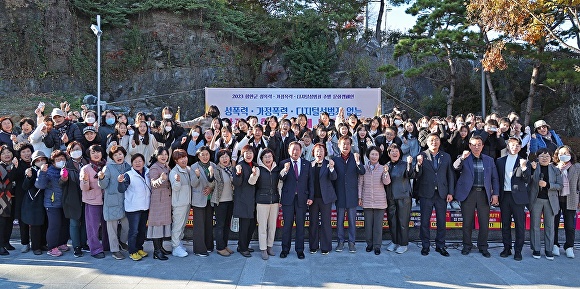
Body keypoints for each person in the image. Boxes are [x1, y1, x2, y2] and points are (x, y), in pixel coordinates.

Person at [453, 135, 500, 258]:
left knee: (484, 223)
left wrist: (495, 194)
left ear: (483, 146)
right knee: (467, 222)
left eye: (479, 144)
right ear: (469, 146)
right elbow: (455, 167)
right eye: (473, 144)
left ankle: (483, 246)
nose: (476, 147)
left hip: (484, 194)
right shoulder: (464, 158)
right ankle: (467, 245)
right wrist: (462, 158)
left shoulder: (489, 160)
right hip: (468, 194)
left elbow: (495, 178)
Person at [415, 133, 455, 257]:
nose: (434, 142)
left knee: (441, 221)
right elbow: (417, 175)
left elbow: (450, 175)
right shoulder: (421, 155)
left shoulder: (446, 156)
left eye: (436, 140)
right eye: (431, 140)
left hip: (442, 193)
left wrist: (450, 192)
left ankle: (440, 246)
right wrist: (418, 165)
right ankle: (425, 246)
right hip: (426, 193)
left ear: (439, 142)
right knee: (425, 221)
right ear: (427, 142)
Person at [496, 137, 530, 261]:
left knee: (519, 225)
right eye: (512, 145)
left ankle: (518, 251)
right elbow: (497, 179)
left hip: (518, 198)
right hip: (504, 196)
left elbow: (528, 180)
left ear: (520, 147)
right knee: (505, 224)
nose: (514, 147)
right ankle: (506, 248)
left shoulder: (524, 161)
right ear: (508, 146)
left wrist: (524, 168)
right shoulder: (500, 161)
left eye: (517, 145)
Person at [332, 136, 365, 253]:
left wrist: (357, 162)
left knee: (352, 221)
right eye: (343, 144)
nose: (345, 146)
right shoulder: (335, 160)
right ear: (338, 146)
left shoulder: (355, 158)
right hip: (340, 195)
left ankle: (352, 242)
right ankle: (340, 242)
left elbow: (362, 172)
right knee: (339, 221)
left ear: (351, 145)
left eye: (347, 144)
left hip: (352, 195)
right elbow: (332, 178)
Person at [98, 145, 131, 260]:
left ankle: (122, 242)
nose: (118, 156)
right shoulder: (108, 168)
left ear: (124, 155)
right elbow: (103, 185)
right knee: (112, 228)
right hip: (111, 201)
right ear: (112, 157)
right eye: (115, 155)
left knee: (127, 225)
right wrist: (101, 178)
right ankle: (115, 250)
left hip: (125, 201)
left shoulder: (128, 167)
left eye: (120, 154)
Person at [278, 141, 311, 259]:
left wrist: (310, 197)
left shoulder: (307, 164)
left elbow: (310, 182)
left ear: (301, 151)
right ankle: (285, 249)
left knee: (301, 226)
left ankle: (299, 250)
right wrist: (285, 170)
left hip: (302, 198)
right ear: (288, 150)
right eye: (293, 149)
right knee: (287, 225)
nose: (295, 152)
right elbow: (281, 178)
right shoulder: (283, 163)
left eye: (297, 149)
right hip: (288, 199)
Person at [529, 148, 562, 260]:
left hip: (550, 200)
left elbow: (560, 185)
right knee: (535, 225)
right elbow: (527, 181)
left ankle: (549, 249)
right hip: (536, 199)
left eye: (547, 156)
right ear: (537, 157)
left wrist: (548, 185)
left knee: (550, 226)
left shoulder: (555, 169)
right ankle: (536, 249)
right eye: (542, 156)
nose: (544, 158)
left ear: (551, 158)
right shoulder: (533, 166)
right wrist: (532, 171)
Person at [36, 149, 70, 257]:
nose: (60, 161)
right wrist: (42, 172)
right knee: (54, 225)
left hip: (64, 202)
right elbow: (40, 185)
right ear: (53, 161)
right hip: (52, 203)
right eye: (58, 159)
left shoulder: (67, 169)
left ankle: (62, 243)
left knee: (64, 224)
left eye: (62, 159)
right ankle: (52, 247)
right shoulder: (47, 170)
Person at [248, 149, 281, 260]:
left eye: (270, 156)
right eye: (265, 157)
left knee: (272, 226)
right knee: (262, 227)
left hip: (275, 201)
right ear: (261, 159)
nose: (268, 159)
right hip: (262, 201)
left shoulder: (277, 169)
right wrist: (254, 175)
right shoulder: (258, 169)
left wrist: (280, 199)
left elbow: (280, 184)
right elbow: (251, 182)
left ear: (273, 157)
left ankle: (269, 246)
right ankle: (263, 248)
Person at [118, 153, 151, 261]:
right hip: (133, 208)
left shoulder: (147, 172)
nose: (137, 163)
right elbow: (122, 189)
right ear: (132, 163)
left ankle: (139, 248)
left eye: (140, 161)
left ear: (144, 162)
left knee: (142, 230)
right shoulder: (128, 175)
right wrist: (120, 182)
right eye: (135, 161)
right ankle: (132, 251)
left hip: (145, 206)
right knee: (134, 231)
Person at [358, 146, 390, 255]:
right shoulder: (363, 168)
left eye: (376, 154)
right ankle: (369, 244)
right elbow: (360, 184)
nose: (374, 156)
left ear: (379, 156)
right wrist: (359, 197)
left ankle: (377, 246)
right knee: (368, 225)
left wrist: (386, 172)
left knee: (378, 225)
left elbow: (386, 182)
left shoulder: (382, 168)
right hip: (366, 199)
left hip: (380, 200)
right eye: (372, 154)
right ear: (368, 155)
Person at [79, 144, 109, 259]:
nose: (96, 154)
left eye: (98, 152)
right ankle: (96, 249)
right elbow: (83, 188)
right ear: (89, 155)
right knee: (93, 226)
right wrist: (85, 181)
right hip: (92, 201)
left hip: (107, 200)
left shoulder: (107, 166)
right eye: (93, 153)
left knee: (108, 225)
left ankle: (107, 245)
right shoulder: (85, 168)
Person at [385, 144, 415, 254]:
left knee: (403, 221)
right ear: (388, 154)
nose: (394, 153)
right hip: (390, 197)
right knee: (392, 221)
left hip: (403, 197)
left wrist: (410, 164)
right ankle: (394, 241)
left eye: (396, 151)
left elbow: (411, 175)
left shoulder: (405, 164)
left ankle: (403, 243)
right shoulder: (387, 165)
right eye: (392, 151)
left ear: (399, 153)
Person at [308, 143, 337, 255]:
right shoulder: (310, 165)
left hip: (326, 198)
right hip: (313, 199)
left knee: (326, 223)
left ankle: (326, 247)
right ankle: (313, 246)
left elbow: (334, 177)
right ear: (313, 153)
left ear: (325, 152)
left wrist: (331, 168)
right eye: (317, 151)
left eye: (321, 151)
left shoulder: (329, 163)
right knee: (313, 223)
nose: (319, 153)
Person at [552, 145, 580, 258]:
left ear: (571, 154)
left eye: (566, 153)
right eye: (561, 153)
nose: (564, 156)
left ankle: (569, 246)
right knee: (554, 224)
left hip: (571, 198)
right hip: (556, 199)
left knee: (569, 225)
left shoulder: (577, 167)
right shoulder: (553, 167)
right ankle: (554, 245)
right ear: (557, 155)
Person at [62, 141, 89, 257]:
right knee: (74, 223)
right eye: (73, 150)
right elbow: (61, 184)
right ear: (69, 152)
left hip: (87, 196)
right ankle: (76, 246)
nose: (76, 151)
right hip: (72, 198)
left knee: (85, 222)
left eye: (78, 149)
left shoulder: (87, 162)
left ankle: (84, 243)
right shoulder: (66, 165)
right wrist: (63, 178)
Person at [190, 146, 216, 257]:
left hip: (210, 199)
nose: (205, 157)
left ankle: (209, 246)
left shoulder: (213, 166)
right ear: (198, 156)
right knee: (199, 225)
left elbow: (217, 181)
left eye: (207, 154)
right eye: (202, 155)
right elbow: (193, 184)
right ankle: (199, 249)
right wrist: (197, 176)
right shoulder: (193, 167)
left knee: (209, 224)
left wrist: (211, 188)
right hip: (198, 199)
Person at [147, 147, 172, 260]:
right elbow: (153, 183)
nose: (164, 156)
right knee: (157, 225)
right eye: (161, 154)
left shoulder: (165, 166)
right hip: (158, 200)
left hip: (165, 199)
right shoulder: (154, 167)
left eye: (166, 154)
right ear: (156, 156)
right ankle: (156, 251)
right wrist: (161, 179)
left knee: (162, 225)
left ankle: (160, 248)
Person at [232, 145, 257, 257]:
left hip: (253, 201)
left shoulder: (255, 165)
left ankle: (244, 245)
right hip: (243, 201)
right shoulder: (239, 166)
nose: (249, 155)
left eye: (250, 153)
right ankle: (242, 248)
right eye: (246, 153)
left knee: (251, 225)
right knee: (244, 226)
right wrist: (238, 174)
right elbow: (236, 183)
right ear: (243, 154)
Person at [22, 151, 47, 255]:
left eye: (42, 159)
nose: (40, 162)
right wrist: (28, 177)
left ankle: (43, 243)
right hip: (33, 201)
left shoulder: (48, 169)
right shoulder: (31, 170)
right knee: (36, 225)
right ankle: (35, 246)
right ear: (33, 162)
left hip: (46, 200)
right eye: (38, 160)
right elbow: (25, 186)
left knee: (45, 223)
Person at [168, 149, 192, 258]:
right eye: (180, 158)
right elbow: (175, 188)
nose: (184, 160)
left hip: (187, 202)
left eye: (185, 157)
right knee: (177, 225)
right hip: (179, 203)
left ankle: (179, 243)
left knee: (182, 225)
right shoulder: (174, 172)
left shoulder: (187, 169)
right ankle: (175, 246)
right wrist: (177, 181)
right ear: (176, 161)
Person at [211, 149, 235, 257]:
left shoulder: (233, 169)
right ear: (218, 159)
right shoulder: (216, 169)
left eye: (226, 156)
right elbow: (211, 181)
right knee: (220, 225)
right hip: (220, 201)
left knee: (226, 225)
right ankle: (220, 247)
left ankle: (224, 245)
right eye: (222, 157)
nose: (224, 159)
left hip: (231, 200)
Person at [13, 144, 33, 253]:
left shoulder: (36, 162)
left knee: (37, 218)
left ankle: (38, 242)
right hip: (21, 195)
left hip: (35, 195)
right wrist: (15, 167)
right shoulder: (17, 164)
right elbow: (13, 178)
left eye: (28, 151)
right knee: (23, 221)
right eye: (23, 152)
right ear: (20, 154)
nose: (26, 154)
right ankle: (25, 243)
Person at [0, 145, 17, 255]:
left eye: (8, 152)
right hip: (2, 198)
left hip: (12, 198)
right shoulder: (1, 167)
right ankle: (0, 245)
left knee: (9, 221)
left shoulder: (13, 165)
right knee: (2, 223)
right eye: (3, 153)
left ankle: (6, 242)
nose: (7, 155)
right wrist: (15, 168)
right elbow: (7, 180)